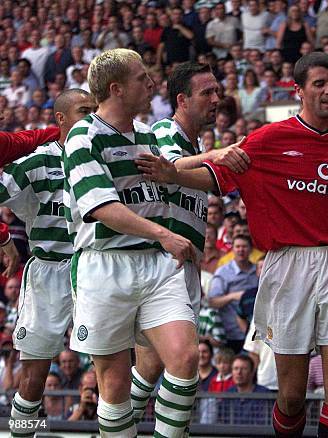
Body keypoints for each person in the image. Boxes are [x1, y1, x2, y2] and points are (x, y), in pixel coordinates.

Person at [136, 52, 328, 438]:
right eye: (319, 84)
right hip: (287, 266)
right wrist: (172, 173)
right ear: (299, 91)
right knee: (291, 396)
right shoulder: (267, 140)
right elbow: (216, 178)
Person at [63, 48, 206, 437]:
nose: (152, 84)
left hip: (157, 265)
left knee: (185, 357)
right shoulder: (84, 136)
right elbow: (103, 207)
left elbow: (180, 174)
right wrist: (165, 233)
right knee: (114, 386)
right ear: (117, 89)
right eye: (142, 78)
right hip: (104, 264)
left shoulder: (149, 135)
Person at [130, 61, 249, 423]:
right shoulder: (166, 128)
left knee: (149, 368)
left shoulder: (196, 143)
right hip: (165, 264)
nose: (217, 98)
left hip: (184, 265)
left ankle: (121, 428)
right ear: (182, 100)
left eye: (218, 91)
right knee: (184, 362)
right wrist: (213, 155)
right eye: (207, 93)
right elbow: (170, 163)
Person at [1, 89, 96, 438]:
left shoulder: (104, 157)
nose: (91, 117)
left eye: (94, 110)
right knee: (34, 376)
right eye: (83, 111)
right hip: (48, 270)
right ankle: (24, 433)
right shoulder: (39, 161)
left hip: (94, 267)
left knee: (111, 366)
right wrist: (3, 236)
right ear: (60, 119)